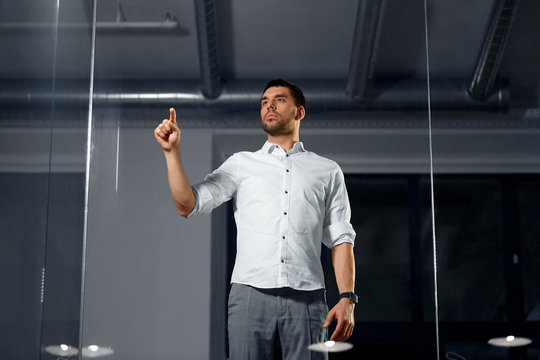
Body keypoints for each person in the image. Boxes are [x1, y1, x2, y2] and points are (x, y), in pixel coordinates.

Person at [154, 79, 357, 359]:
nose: (269, 105)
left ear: (300, 112)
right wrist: (171, 152)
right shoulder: (241, 164)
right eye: (264, 102)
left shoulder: (327, 170)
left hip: (308, 298)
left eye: (279, 99)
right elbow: (187, 204)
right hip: (249, 293)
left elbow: (340, 237)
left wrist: (347, 297)